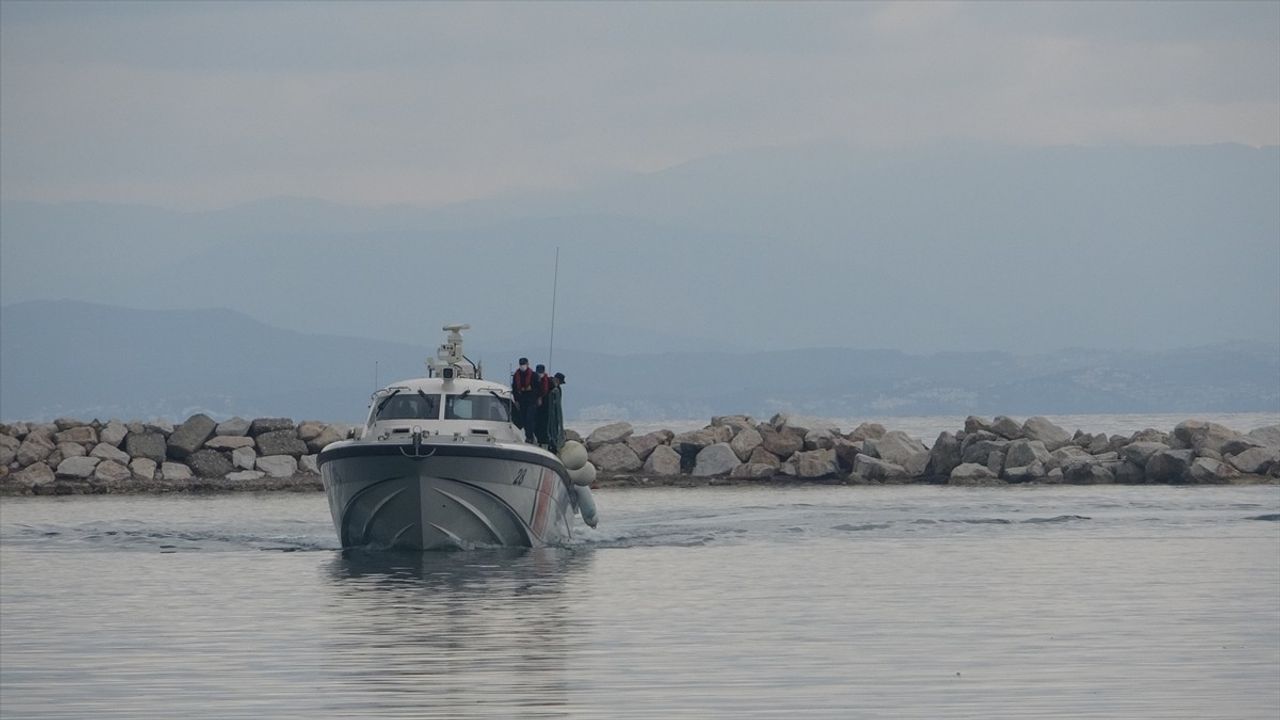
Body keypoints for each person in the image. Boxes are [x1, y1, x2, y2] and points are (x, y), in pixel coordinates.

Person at [511, 357, 538, 443]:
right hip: (522, 400)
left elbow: (537, 388)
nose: (523, 366)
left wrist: (530, 391)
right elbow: (514, 388)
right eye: (521, 364)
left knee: (529, 418)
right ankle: (527, 436)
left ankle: (530, 436)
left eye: (524, 364)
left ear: (527, 364)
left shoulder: (533, 375)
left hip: (531, 400)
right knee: (523, 419)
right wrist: (516, 400)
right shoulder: (516, 375)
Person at [545, 372, 566, 452]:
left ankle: (553, 444)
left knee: (554, 429)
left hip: (553, 415)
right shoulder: (549, 385)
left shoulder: (558, 389)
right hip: (547, 413)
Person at [533, 364, 551, 446]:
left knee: (543, 426)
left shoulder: (548, 381)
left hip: (545, 409)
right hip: (534, 408)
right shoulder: (532, 380)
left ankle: (543, 442)